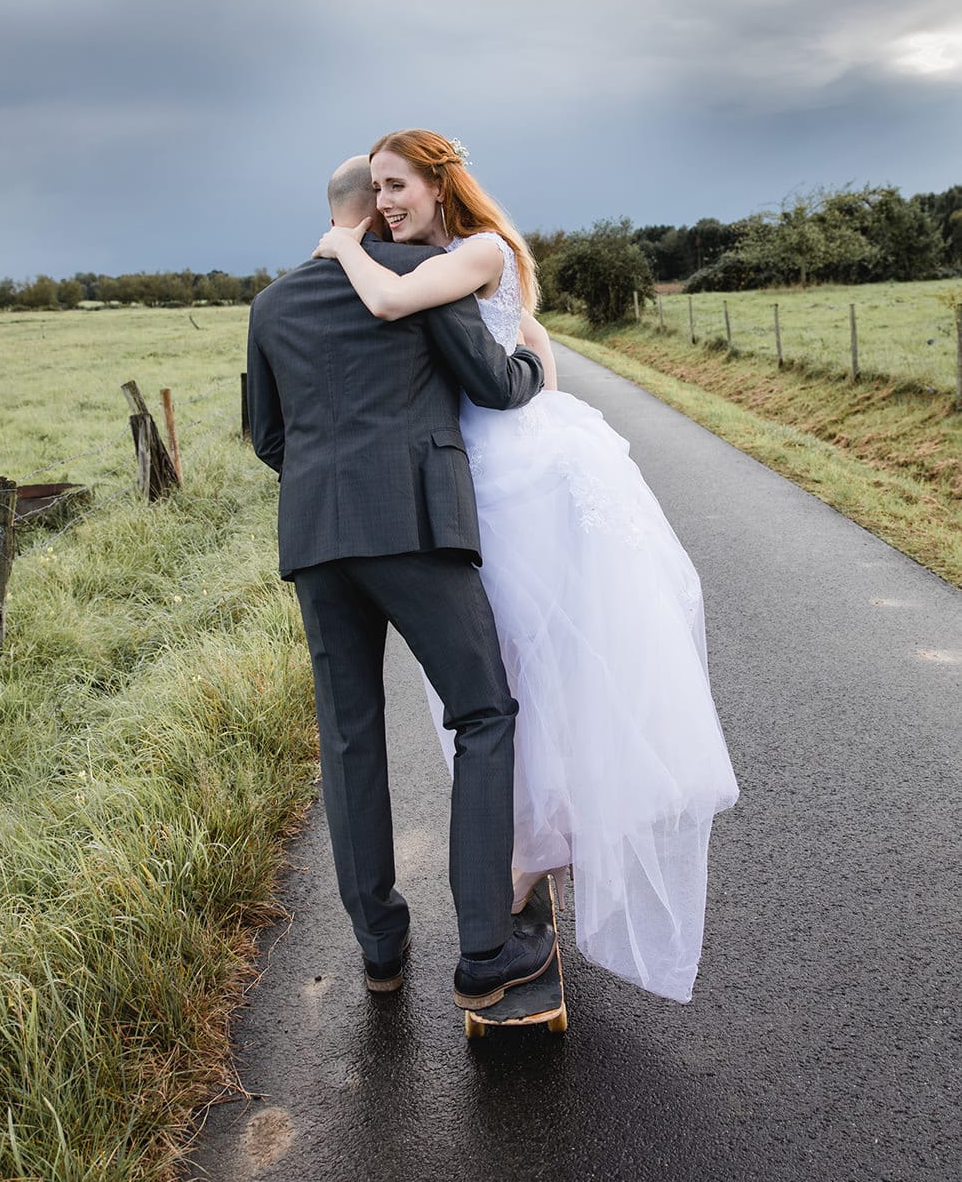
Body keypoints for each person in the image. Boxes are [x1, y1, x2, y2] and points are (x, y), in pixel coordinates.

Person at [312, 130, 739, 1003]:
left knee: (517, 676)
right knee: (504, 676)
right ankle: (523, 851)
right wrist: (533, 361)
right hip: (467, 479)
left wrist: (343, 243)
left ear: (439, 183)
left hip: (509, 485)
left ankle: (528, 854)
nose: (387, 201)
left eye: (398, 186)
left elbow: (395, 308)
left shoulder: (473, 248)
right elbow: (524, 334)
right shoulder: (452, 254)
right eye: (377, 190)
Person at [246, 154, 556, 1011]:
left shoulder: (269, 305)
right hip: (414, 525)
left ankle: (380, 947)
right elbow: (491, 385)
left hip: (314, 535)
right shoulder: (420, 271)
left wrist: (325, 482)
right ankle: (486, 948)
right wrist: (536, 364)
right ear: (375, 213)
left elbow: (267, 436)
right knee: (483, 713)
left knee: (348, 737)